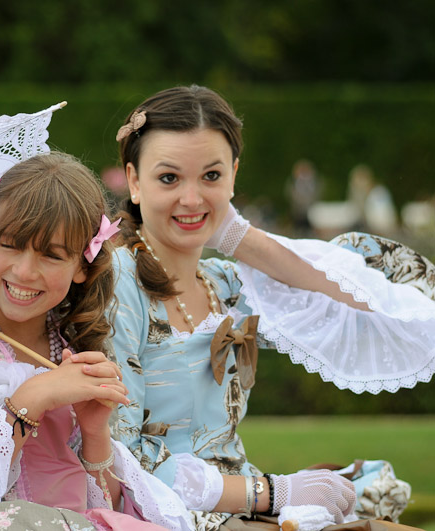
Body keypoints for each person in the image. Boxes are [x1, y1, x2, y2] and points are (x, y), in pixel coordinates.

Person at [110, 85, 435, 528]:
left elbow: (369, 300)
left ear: (234, 174)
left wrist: (236, 235)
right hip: (164, 515)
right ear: (133, 181)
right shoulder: (118, 283)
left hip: (244, 506)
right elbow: (119, 455)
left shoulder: (224, 284)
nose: (191, 198)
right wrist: (272, 491)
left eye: (211, 176)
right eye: (169, 178)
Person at [0, 152, 221, 530]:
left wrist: (94, 430)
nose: (24, 271)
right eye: (10, 245)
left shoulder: (73, 339)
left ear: (82, 267)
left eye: (51, 256)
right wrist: (33, 398)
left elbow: (111, 505)